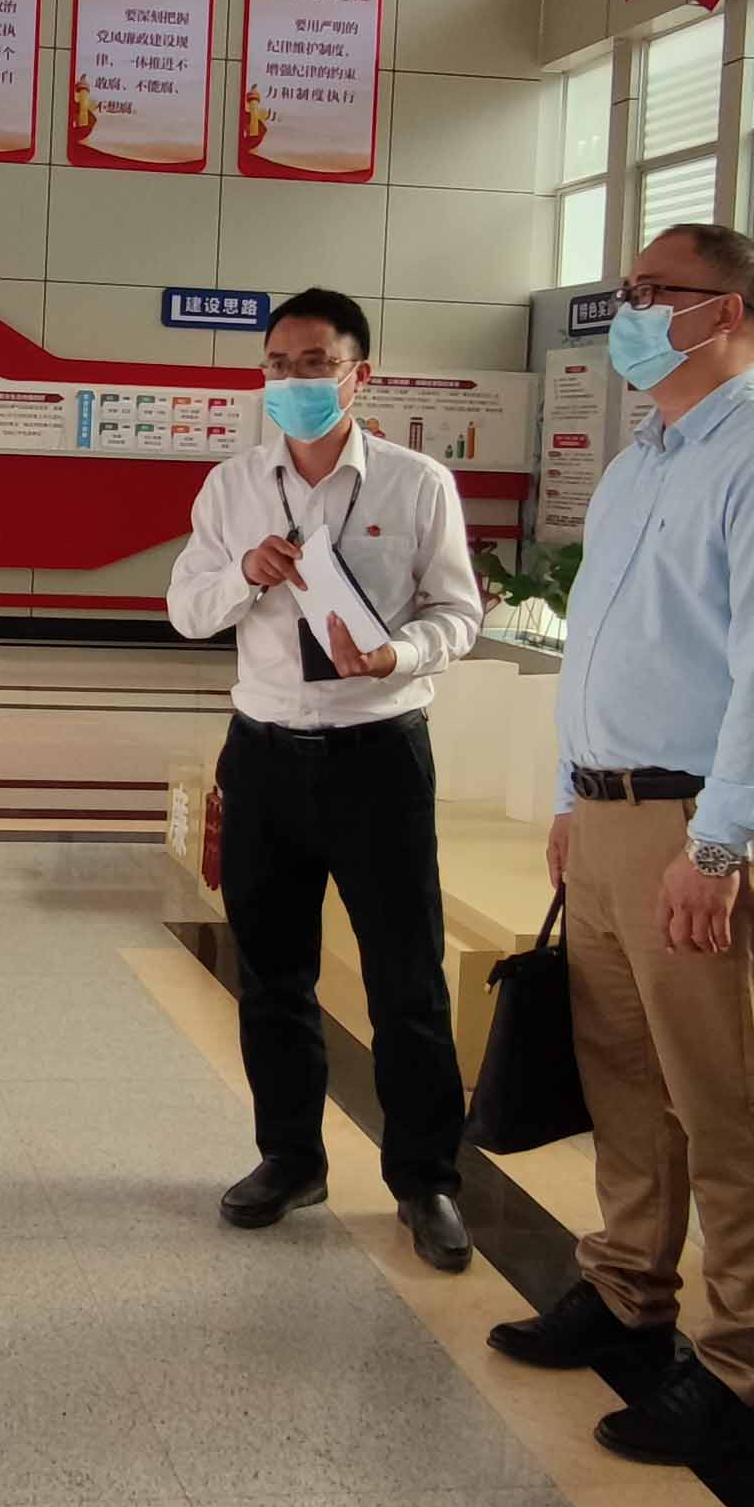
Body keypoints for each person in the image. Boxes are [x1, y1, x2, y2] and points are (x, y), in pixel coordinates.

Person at [492, 224, 754, 1467]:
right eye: (628, 290)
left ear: (731, 311)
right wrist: (570, 794)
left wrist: (716, 847)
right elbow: (604, 646)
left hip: (700, 821)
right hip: (608, 813)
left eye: (658, 291)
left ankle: (744, 1367)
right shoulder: (641, 460)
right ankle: (625, 1290)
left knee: (728, 1102)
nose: (632, 310)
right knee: (624, 1079)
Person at [167, 288, 486, 1271]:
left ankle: (425, 1179)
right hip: (264, 753)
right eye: (277, 363)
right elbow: (187, 608)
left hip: (377, 754)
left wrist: (397, 655)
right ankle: (290, 1158)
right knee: (272, 975)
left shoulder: (416, 483)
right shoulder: (232, 485)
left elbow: (458, 612)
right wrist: (245, 574)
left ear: (359, 374)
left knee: (405, 979)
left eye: (314, 363)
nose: (292, 380)